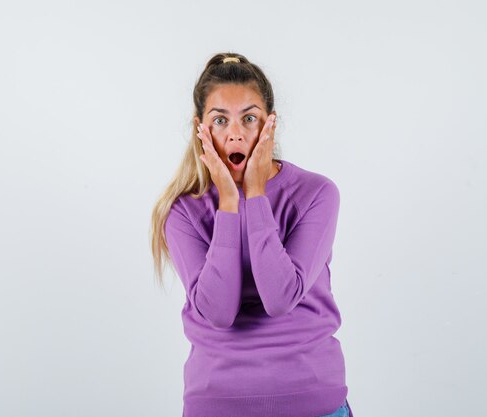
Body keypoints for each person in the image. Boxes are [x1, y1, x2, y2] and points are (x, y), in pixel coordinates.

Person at [150, 52, 354, 417]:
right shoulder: (182, 211)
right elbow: (218, 312)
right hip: (217, 406)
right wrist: (229, 202)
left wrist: (255, 195)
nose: (235, 133)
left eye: (249, 118)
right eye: (220, 120)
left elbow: (281, 297)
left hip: (312, 405)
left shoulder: (317, 194)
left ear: (269, 126)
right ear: (202, 130)